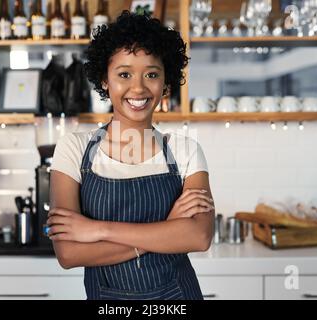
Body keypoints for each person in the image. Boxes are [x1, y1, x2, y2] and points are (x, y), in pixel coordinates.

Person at [48, 11, 214, 300]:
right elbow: (69, 253)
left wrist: (97, 229)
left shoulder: (185, 150)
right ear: (104, 80)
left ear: (166, 84)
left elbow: (198, 237)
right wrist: (167, 231)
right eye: (124, 74)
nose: (138, 88)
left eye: (151, 74)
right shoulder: (73, 149)